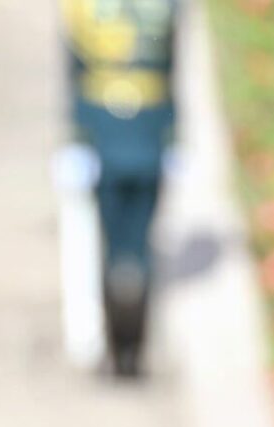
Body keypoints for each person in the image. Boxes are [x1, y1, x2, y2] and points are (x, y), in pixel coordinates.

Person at [61, 0, 178, 377]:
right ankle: (115, 348)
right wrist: (77, 137)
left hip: (147, 135)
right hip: (104, 134)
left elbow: (171, 66)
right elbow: (74, 68)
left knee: (140, 250)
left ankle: (135, 351)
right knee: (108, 250)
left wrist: (174, 134)